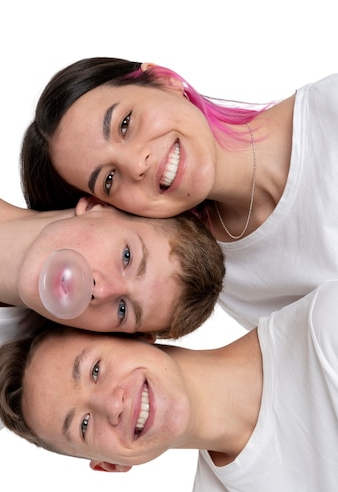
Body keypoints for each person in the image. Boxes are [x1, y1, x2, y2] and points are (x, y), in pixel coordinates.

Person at [0, 281, 338, 492]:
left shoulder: (326, 327)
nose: (112, 405)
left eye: (96, 370)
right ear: (112, 464)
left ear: (136, 333)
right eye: (84, 425)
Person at [0, 139, 224, 462]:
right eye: (126, 256)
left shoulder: (27, 387)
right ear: (99, 207)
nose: (102, 290)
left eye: (123, 310)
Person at [20, 58, 338, 329]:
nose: (136, 163)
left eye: (125, 123)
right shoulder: (227, 281)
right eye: (109, 179)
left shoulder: (330, 112)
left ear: (164, 79)